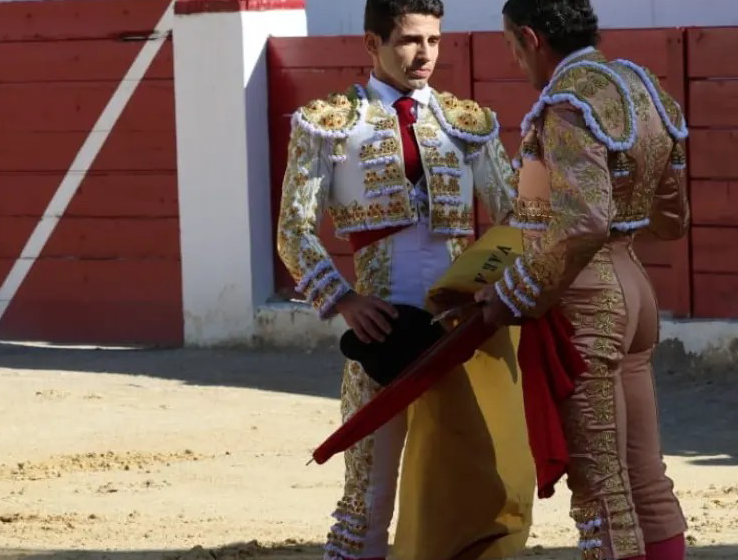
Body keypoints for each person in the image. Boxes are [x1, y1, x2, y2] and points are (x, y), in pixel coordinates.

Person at [275, 1, 535, 558]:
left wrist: (491, 287)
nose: (425, 54)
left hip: (460, 331)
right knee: (367, 503)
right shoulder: (329, 123)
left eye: (435, 40)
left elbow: (516, 215)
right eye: (410, 40)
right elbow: (292, 232)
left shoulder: (467, 123)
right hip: (383, 336)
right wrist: (343, 299)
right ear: (373, 44)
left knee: (477, 485)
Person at [477, 1, 691, 559]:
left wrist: (514, 293)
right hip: (636, 291)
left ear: (530, 37)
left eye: (511, 46)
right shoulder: (641, 87)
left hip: (588, 305)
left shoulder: (568, 102)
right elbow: (673, 218)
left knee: (602, 493)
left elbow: (584, 221)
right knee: (647, 478)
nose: (515, 59)